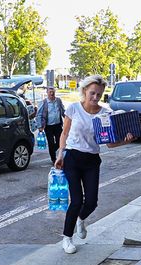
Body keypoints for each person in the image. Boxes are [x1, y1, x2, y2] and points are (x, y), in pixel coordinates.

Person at [54, 75, 135, 254]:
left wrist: (126, 141)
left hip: (91, 160)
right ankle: (67, 238)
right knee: (76, 201)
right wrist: (60, 154)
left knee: (91, 202)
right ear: (84, 92)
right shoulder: (74, 108)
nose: (95, 97)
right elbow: (64, 134)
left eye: (99, 94)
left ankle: (81, 219)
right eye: (92, 93)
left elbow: (110, 143)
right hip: (72, 159)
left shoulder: (105, 113)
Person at [36, 86, 65, 163]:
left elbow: (63, 110)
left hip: (58, 125)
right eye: (50, 92)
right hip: (48, 126)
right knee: (51, 142)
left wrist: (67, 118)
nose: (52, 94)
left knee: (60, 141)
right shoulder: (44, 102)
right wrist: (40, 126)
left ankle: (53, 150)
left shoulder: (58, 101)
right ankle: (53, 158)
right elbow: (39, 114)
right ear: (47, 93)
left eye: (53, 92)